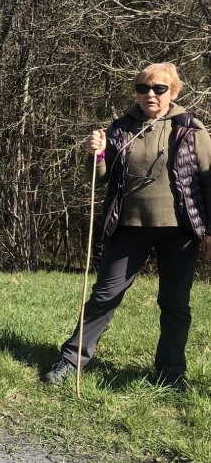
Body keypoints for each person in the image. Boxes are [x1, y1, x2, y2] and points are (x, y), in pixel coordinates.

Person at [43, 62, 211, 391]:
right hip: (128, 227)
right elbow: (97, 178)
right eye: (143, 88)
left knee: (175, 303)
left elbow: (209, 182)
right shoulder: (121, 128)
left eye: (159, 88)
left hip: (180, 231)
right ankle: (71, 360)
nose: (150, 94)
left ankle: (171, 373)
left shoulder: (191, 129)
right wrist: (96, 155)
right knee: (105, 295)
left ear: (173, 92)